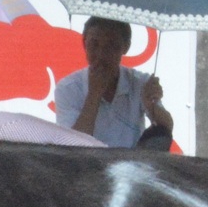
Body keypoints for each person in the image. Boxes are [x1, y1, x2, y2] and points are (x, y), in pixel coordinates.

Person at [51, 16, 172, 147]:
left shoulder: (140, 83)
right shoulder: (68, 88)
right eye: (94, 45)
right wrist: (94, 94)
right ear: (84, 44)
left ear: (125, 47)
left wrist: (152, 105)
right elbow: (72, 146)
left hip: (130, 164)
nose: (101, 54)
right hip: (87, 164)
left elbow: (165, 130)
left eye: (111, 46)